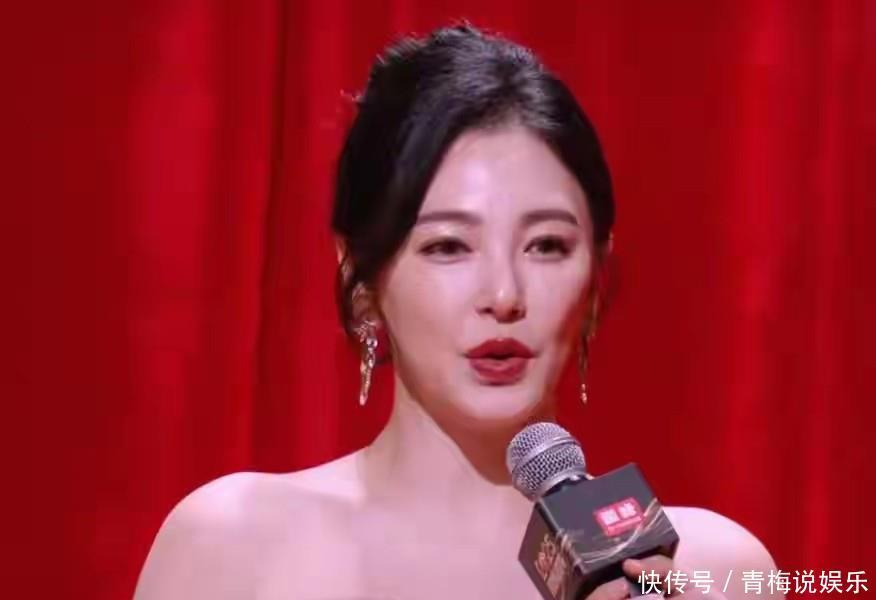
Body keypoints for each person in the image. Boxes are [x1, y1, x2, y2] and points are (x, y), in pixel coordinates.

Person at [134, 24, 780, 600]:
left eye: (546, 245)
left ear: (596, 275)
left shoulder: (706, 571)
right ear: (362, 276)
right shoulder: (234, 545)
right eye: (448, 246)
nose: (503, 294)